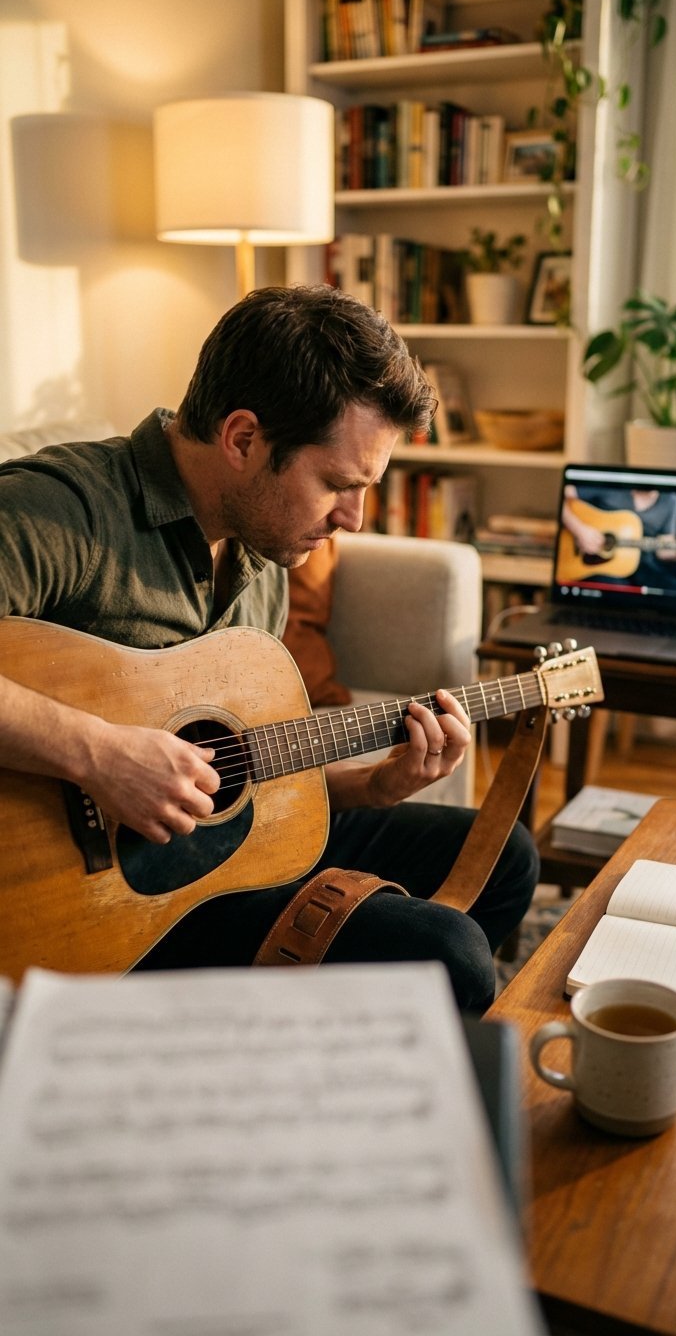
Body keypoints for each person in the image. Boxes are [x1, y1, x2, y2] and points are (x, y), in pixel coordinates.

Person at [0, 285, 538, 1012]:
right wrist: (98, 753)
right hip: (90, 913)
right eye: (337, 484)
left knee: (503, 856)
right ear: (243, 439)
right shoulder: (65, 510)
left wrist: (373, 788)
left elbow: (244, 774)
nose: (351, 517)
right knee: (448, 955)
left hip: (205, 868)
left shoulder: (262, 557)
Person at [561, 482, 676, 592]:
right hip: (599, 564)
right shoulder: (614, 483)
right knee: (616, 592)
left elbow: (664, 547)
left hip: (645, 567)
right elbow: (559, 494)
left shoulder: (671, 499)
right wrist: (579, 530)